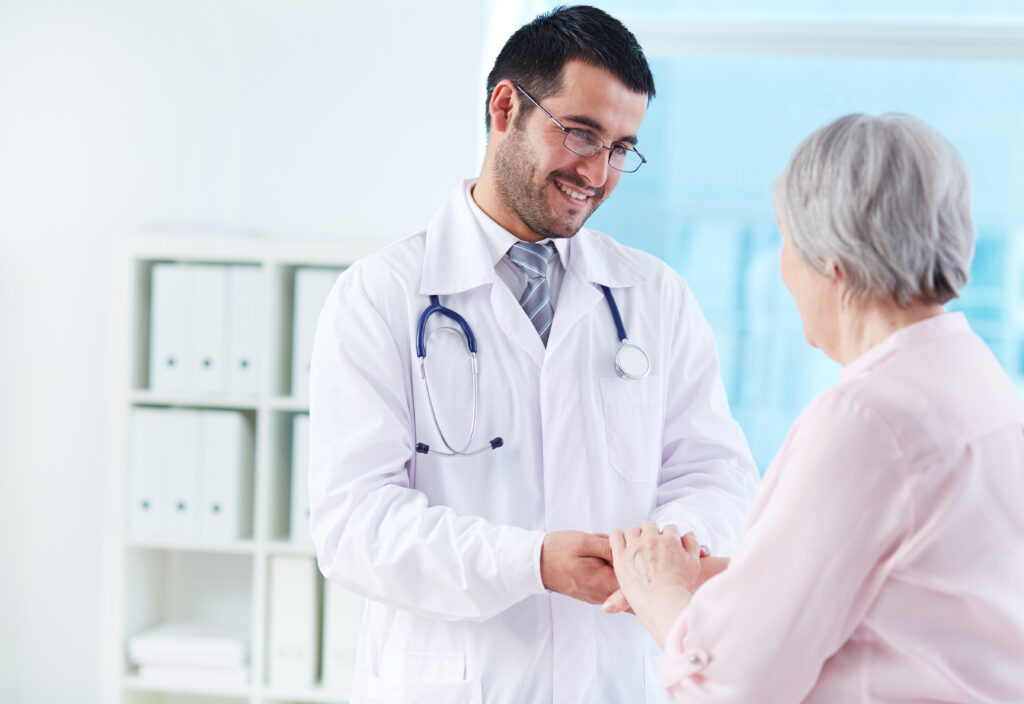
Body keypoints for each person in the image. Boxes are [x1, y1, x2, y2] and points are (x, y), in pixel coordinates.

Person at [308, 6, 758, 703]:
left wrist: (663, 552)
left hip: (616, 679)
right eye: (581, 133)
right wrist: (531, 563)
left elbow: (718, 473)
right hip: (460, 681)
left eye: (621, 148)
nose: (598, 172)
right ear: (504, 106)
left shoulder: (654, 296)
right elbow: (354, 524)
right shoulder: (381, 296)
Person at [606, 113, 1024, 703]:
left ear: (832, 259)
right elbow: (908, 589)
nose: (781, 269)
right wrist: (728, 577)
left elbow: (729, 685)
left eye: (784, 238)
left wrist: (659, 592)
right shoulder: (977, 380)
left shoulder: (867, 420)